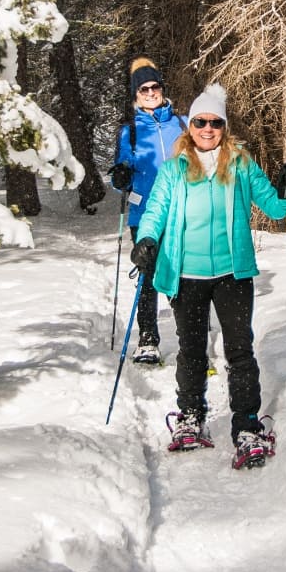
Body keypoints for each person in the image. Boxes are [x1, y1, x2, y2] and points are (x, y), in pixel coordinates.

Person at [130, 82, 286, 469]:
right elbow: (155, 209)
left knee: (239, 351)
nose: (207, 129)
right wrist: (146, 240)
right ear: (189, 126)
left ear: (224, 126)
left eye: (214, 122)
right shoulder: (174, 168)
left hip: (232, 272)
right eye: (199, 122)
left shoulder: (240, 163)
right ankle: (191, 418)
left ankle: (246, 426)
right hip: (185, 273)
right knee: (192, 351)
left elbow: (275, 208)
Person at [110, 57, 186, 363]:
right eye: (144, 89)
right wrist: (121, 176)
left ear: (162, 89)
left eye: (155, 87)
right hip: (143, 214)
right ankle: (148, 341)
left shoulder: (181, 124)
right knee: (148, 276)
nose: (151, 92)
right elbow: (120, 175)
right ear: (136, 95)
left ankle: (190, 339)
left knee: (180, 275)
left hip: (180, 209)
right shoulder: (128, 131)